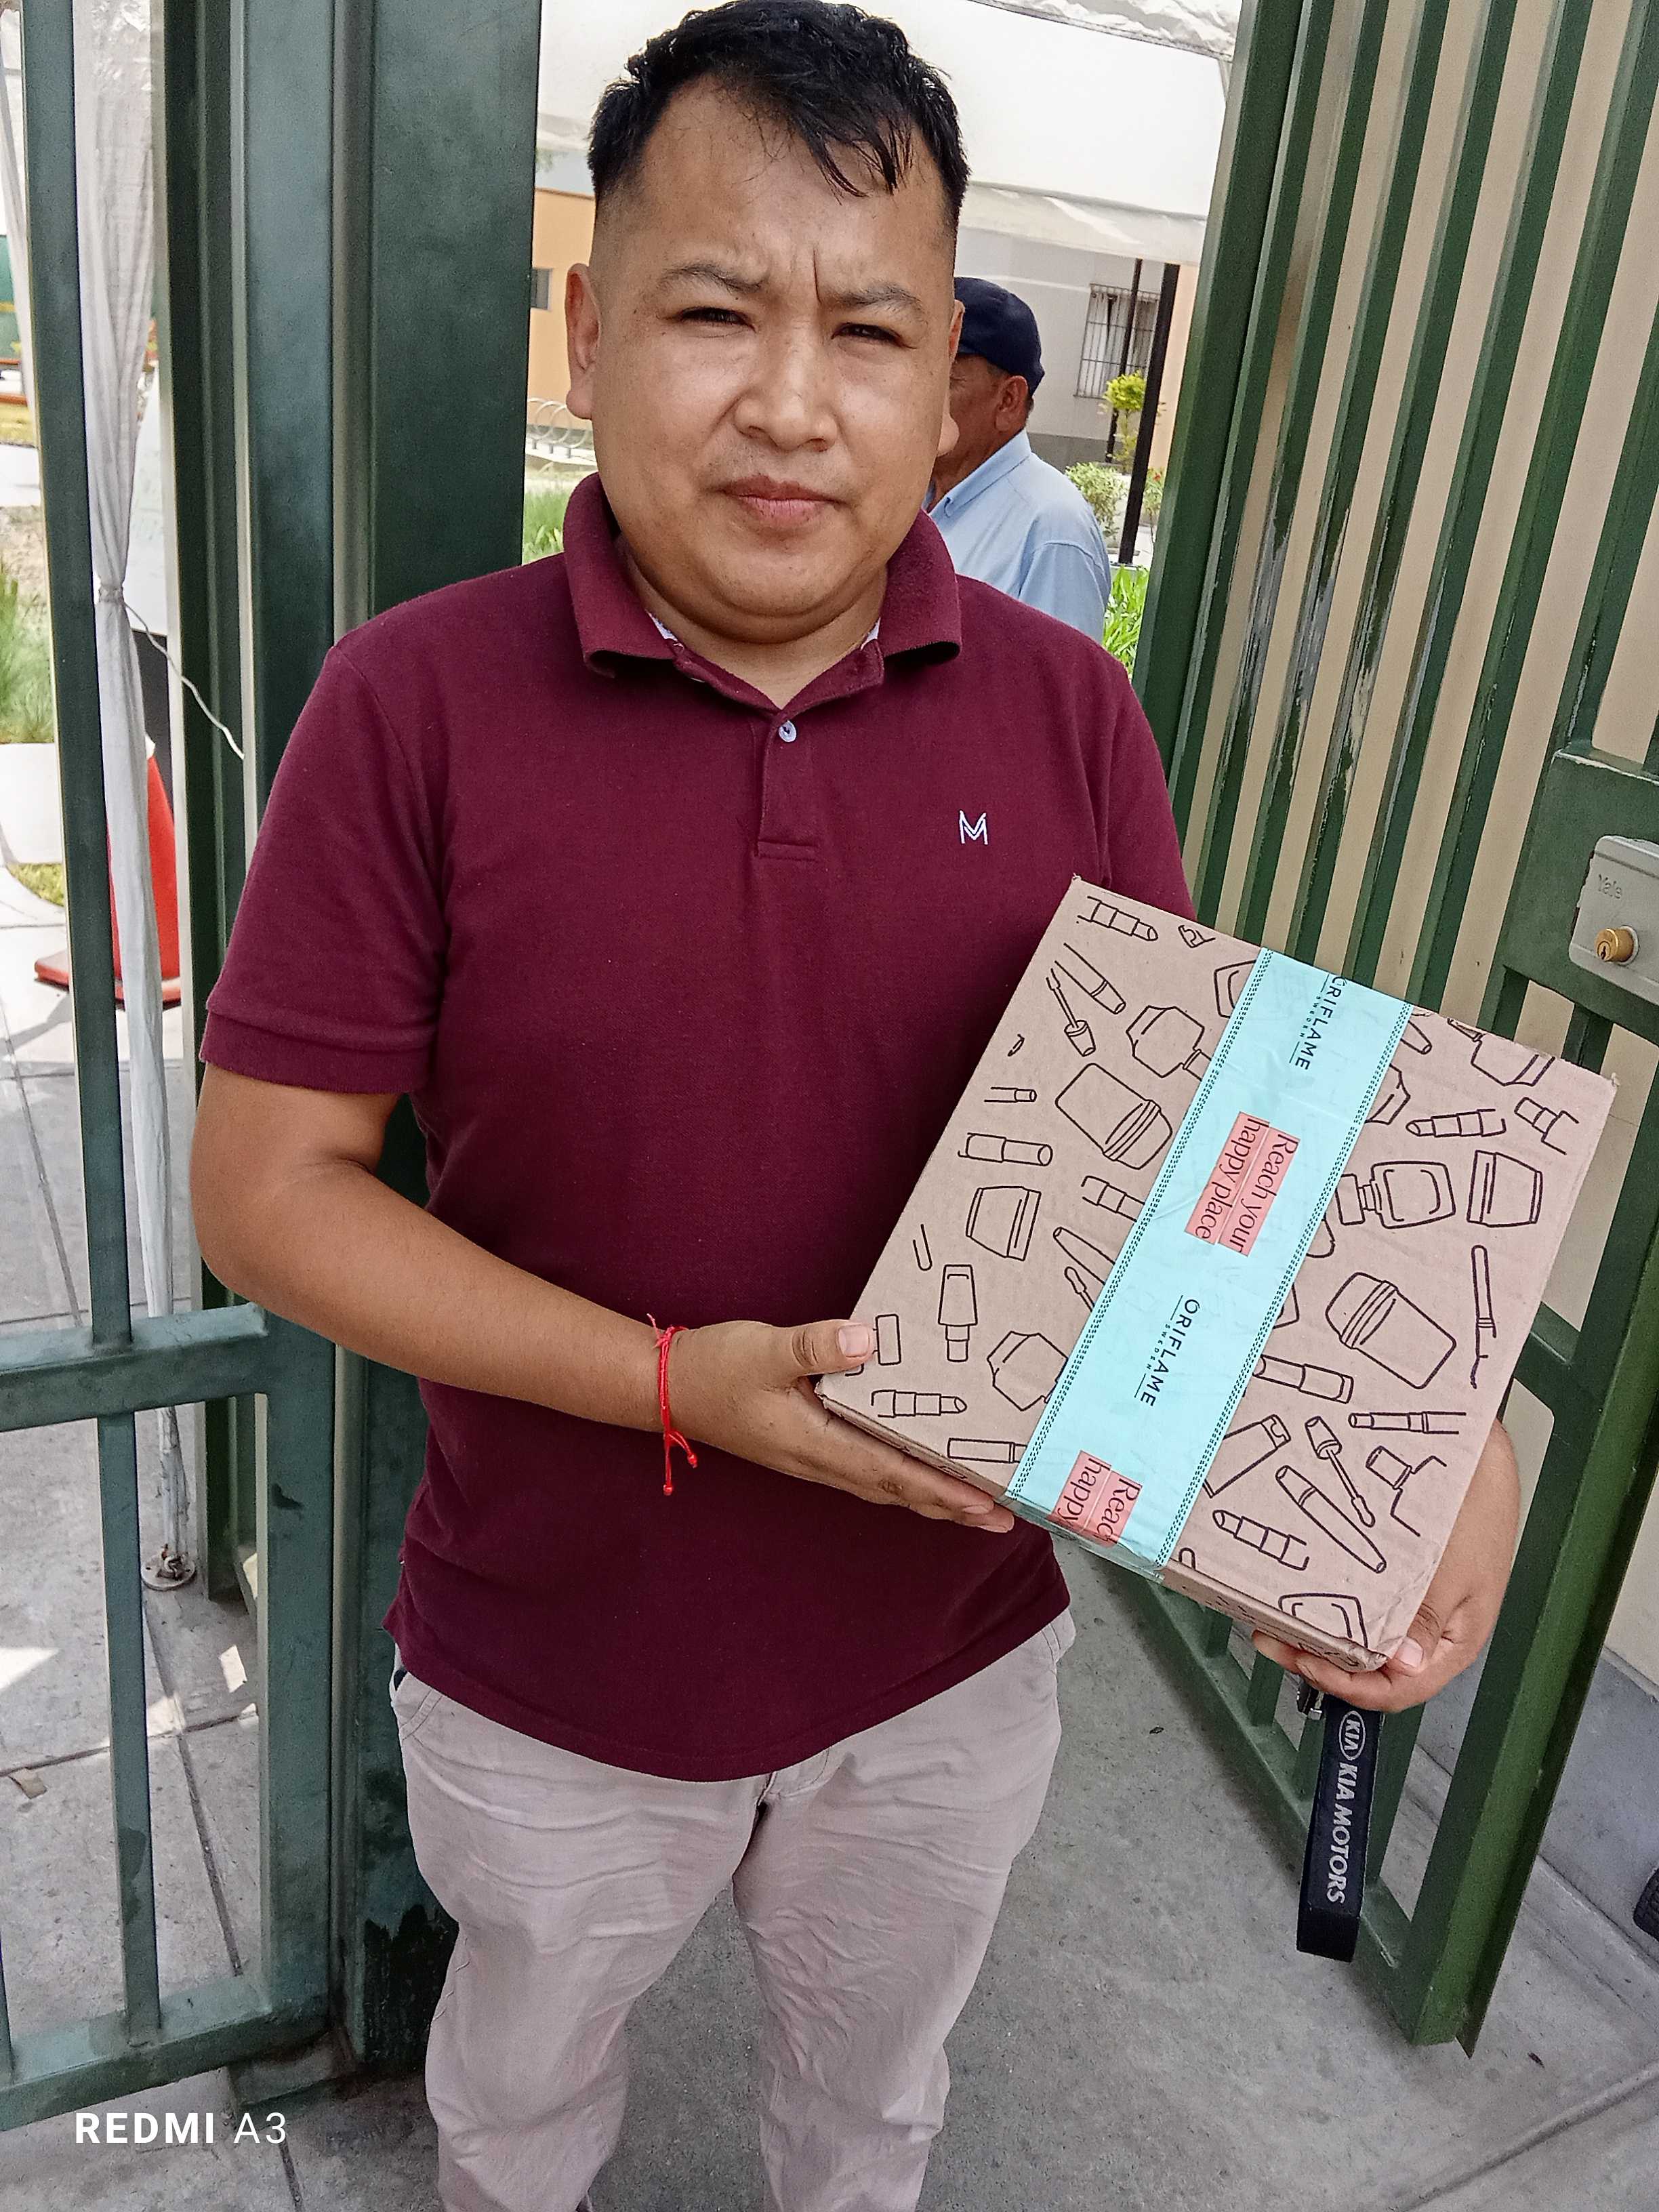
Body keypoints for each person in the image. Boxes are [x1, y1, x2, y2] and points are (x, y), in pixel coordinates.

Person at [188, 6, 1520, 2209]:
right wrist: (667, 1383)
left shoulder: (1070, 711)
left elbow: (1205, 1141)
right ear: (593, 330)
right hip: (549, 1658)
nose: (793, 402)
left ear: (950, 381)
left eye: (870, 330)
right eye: (715, 312)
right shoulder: (408, 706)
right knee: (518, 2099)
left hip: (948, 1664)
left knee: (872, 2107)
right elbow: (270, 1190)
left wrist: (1427, 1446)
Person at [926, 275, 1113, 638]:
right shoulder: (907, 495)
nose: (917, 397)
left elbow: (1060, 673)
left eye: (947, 380)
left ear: (1008, 401)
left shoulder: (1053, 530)